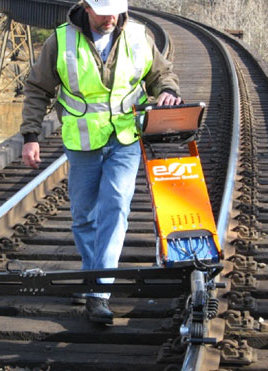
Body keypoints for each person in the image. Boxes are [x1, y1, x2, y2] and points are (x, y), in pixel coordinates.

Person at [20, 0, 181, 324]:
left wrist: (166, 90)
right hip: (82, 142)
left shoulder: (138, 35)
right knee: (83, 216)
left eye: (115, 11)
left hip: (124, 139)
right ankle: (92, 272)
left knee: (116, 207)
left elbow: (161, 74)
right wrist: (30, 136)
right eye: (103, 11)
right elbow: (38, 88)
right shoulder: (61, 40)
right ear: (86, 8)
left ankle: (98, 293)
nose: (110, 18)